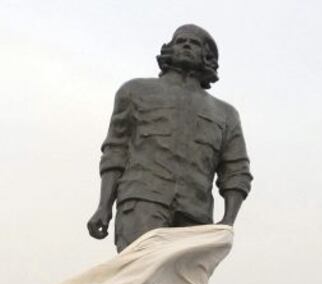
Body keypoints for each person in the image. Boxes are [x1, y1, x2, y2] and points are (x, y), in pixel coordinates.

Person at [87, 24, 252, 251]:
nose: (186, 45)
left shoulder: (225, 114)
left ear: (207, 57)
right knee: (140, 276)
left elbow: (236, 171)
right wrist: (103, 206)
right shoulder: (135, 91)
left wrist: (228, 222)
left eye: (194, 43)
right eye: (180, 41)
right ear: (169, 49)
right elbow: (116, 150)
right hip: (142, 201)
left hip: (195, 213)